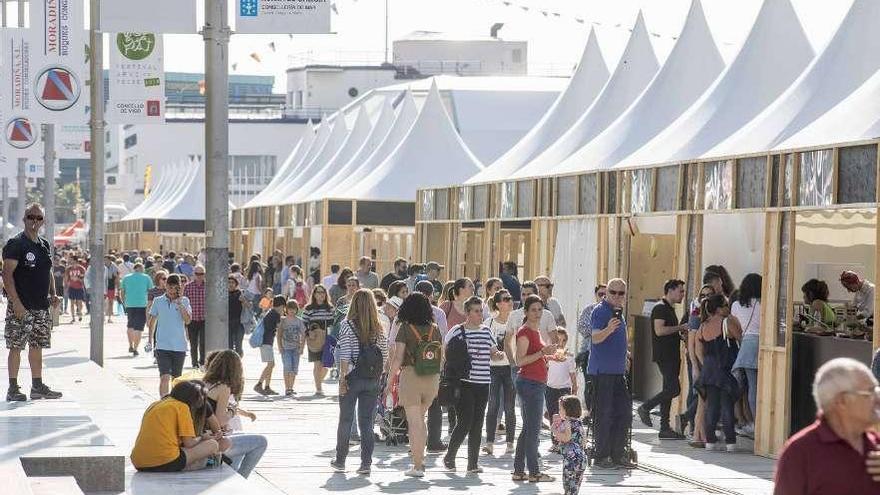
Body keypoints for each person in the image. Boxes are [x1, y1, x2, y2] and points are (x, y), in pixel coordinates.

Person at [774, 358, 880, 494]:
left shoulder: (875, 444)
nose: (877, 399)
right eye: (870, 392)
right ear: (842, 401)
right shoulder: (801, 452)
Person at [3, 203, 63, 402]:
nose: (34, 221)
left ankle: (37, 386)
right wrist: (16, 302)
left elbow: (48, 271)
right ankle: (13, 388)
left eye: (39, 218)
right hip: (21, 306)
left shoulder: (44, 244)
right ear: (24, 219)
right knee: (16, 346)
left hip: (41, 306)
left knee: (37, 346)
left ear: (43, 221)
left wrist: (53, 294)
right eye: (31, 217)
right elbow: (7, 275)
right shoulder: (16, 243)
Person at [332, 289, 388, 475]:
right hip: (372, 379)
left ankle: (340, 460)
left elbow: (345, 355)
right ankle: (366, 463)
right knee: (367, 423)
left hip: (352, 377)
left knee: (346, 420)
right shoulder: (378, 326)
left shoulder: (347, 325)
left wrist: (342, 379)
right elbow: (385, 354)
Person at [385, 292, 443, 478]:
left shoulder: (404, 328)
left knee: (414, 423)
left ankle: (417, 466)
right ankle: (421, 458)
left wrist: (388, 382)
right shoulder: (435, 328)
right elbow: (442, 358)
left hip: (411, 376)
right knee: (421, 419)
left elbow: (397, 358)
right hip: (432, 379)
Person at [443, 296, 497, 475]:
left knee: (477, 423)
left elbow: (493, 352)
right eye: (476, 311)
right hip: (465, 383)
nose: (480, 314)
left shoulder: (486, 331)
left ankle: (472, 463)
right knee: (465, 422)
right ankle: (450, 456)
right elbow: (446, 352)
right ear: (467, 313)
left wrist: (499, 354)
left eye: (481, 310)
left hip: (483, 383)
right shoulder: (457, 331)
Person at [589, 278, 636, 469]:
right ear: (606, 292)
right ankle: (601, 455)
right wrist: (609, 328)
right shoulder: (600, 311)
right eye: (613, 292)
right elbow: (595, 337)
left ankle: (618, 454)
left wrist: (625, 355)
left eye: (621, 293)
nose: (617, 296)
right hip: (602, 372)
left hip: (617, 372)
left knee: (623, 413)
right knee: (604, 414)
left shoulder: (619, 314)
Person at [130, 380, 228, 472]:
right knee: (212, 444)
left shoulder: (155, 404)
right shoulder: (182, 407)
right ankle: (200, 463)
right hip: (166, 462)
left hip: (139, 462)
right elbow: (189, 443)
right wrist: (202, 437)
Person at [512, 294, 557, 482]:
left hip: (535, 381)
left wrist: (550, 356)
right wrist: (542, 353)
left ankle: (518, 470)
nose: (537, 313)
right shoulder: (525, 332)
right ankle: (534, 472)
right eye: (533, 310)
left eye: (540, 309)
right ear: (526, 311)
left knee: (528, 428)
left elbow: (536, 357)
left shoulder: (535, 331)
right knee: (533, 429)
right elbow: (519, 360)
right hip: (530, 382)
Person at [202, 351, 267, 478]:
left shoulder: (205, 383)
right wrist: (231, 412)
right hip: (212, 441)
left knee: (244, 438)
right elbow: (221, 421)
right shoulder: (223, 387)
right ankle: (242, 480)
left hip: (203, 436)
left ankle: (231, 478)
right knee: (261, 442)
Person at [638, 279, 688, 439]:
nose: (682, 294)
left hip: (672, 355)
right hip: (665, 356)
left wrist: (680, 334)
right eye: (680, 291)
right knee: (674, 389)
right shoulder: (660, 308)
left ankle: (665, 428)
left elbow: (669, 331)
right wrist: (681, 327)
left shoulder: (669, 309)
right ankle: (646, 407)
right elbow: (659, 331)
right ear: (671, 290)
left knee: (668, 389)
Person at [695, 294, 743, 452]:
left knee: (712, 406)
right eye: (725, 305)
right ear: (718, 308)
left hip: (709, 370)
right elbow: (740, 338)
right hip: (724, 369)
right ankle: (730, 442)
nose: (728, 308)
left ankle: (710, 441)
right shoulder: (726, 322)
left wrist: (706, 365)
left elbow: (699, 350)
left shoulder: (702, 326)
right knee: (727, 405)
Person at [483, 289, 516, 455]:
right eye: (505, 299)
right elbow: (485, 342)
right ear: (497, 303)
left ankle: (510, 442)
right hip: (493, 367)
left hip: (511, 367)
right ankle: (489, 442)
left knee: (510, 406)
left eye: (510, 298)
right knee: (493, 404)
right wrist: (492, 353)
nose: (510, 301)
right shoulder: (489, 322)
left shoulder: (517, 321)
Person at [148, 274, 192, 397]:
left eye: (175, 287)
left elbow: (188, 321)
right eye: (170, 287)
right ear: (165, 286)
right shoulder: (158, 301)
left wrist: (180, 304)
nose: (172, 290)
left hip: (179, 346)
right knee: (164, 377)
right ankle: (163, 401)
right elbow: (152, 322)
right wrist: (150, 341)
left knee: (176, 379)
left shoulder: (184, 301)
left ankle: (175, 403)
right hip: (162, 345)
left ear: (179, 287)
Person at [684, 284, 716, 447]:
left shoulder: (713, 317)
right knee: (700, 398)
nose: (705, 298)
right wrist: (696, 366)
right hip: (700, 363)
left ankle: (699, 433)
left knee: (704, 400)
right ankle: (696, 432)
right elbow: (692, 345)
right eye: (702, 295)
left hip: (708, 363)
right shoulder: (696, 316)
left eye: (709, 295)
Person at [731, 273, 762, 436]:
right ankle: (759, 423)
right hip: (761, 345)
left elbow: (735, 326)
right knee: (757, 388)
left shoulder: (736, 305)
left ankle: (752, 422)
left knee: (750, 387)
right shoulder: (763, 305)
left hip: (744, 345)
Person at [546, 328, 578, 452]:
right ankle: (554, 441)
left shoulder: (569, 356)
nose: (561, 343)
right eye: (558, 340)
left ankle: (564, 440)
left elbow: (572, 373)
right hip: (550, 387)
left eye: (564, 340)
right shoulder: (549, 355)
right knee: (552, 414)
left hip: (564, 388)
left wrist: (574, 387)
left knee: (564, 416)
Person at [302, 285, 335, 396]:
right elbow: (303, 325)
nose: (321, 294)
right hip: (314, 339)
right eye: (318, 292)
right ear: (314, 294)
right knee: (317, 364)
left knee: (326, 365)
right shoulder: (309, 308)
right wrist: (308, 333)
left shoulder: (330, 308)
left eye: (323, 292)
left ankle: (317, 381)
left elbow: (334, 324)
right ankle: (319, 388)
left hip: (327, 340)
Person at [576, 285, 605, 406]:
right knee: (589, 384)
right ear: (596, 295)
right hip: (588, 352)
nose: (603, 297)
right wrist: (600, 331)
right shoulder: (589, 309)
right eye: (600, 294)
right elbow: (582, 327)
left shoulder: (614, 311)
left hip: (606, 354)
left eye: (606, 294)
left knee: (603, 385)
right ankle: (589, 412)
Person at [552, 395, 588, 495]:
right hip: (582, 458)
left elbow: (567, 438)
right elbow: (584, 441)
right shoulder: (579, 422)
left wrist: (555, 431)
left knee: (568, 484)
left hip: (571, 460)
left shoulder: (567, 422)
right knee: (575, 486)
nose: (559, 411)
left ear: (567, 410)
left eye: (560, 409)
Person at [507, 281, 558, 346]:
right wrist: (511, 356)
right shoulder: (513, 315)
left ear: (536, 295)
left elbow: (555, 341)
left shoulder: (547, 315)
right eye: (523, 294)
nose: (525, 297)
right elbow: (507, 343)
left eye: (529, 294)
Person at [120, 262, 154, 357]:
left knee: (130, 325)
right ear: (140, 268)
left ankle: (130, 345)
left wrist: (124, 302)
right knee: (138, 328)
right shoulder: (146, 277)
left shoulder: (126, 278)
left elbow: (122, 291)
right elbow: (150, 291)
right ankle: (135, 349)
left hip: (129, 304)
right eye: (142, 268)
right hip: (142, 304)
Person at [254, 295, 286, 396]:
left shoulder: (271, 312)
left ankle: (267, 387)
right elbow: (279, 326)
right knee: (271, 364)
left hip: (266, 342)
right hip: (266, 342)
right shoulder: (275, 314)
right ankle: (259, 384)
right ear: (281, 306)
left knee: (270, 364)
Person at [279, 299, 306, 396]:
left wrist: (302, 347)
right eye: (290, 309)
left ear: (297, 310)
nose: (292, 311)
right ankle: (287, 388)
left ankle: (291, 387)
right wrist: (280, 347)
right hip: (286, 348)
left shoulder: (299, 321)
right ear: (286, 309)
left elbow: (303, 334)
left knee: (294, 368)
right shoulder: (283, 320)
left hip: (296, 348)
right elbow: (279, 334)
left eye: (294, 309)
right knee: (287, 367)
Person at [183, 265, 207, 369]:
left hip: (204, 319)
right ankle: (194, 363)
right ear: (193, 274)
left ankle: (202, 362)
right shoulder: (188, 287)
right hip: (192, 319)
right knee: (193, 342)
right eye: (197, 274)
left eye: (201, 274)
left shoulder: (208, 286)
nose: (199, 276)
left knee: (203, 342)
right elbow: (184, 303)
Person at [227, 276, 247, 357]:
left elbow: (248, 306)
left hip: (239, 322)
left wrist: (243, 301)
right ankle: (232, 362)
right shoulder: (223, 294)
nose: (231, 284)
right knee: (229, 345)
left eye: (233, 282)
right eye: (229, 282)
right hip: (227, 323)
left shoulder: (240, 293)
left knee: (238, 344)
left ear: (236, 284)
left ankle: (238, 360)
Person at [64, 255, 86, 322]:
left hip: (79, 287)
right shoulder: (68, 269)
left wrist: (78, 279)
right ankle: (73, 317)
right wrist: (66, 287)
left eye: (71, 260)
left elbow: (84, 279)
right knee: (72, 303)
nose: (70, 261)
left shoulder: (81, 268)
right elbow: (66, 278)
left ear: (75, 260)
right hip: (71, 287)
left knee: (79, 302)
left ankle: (79, 314)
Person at [104, 255, 119, 323]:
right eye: (104, 260)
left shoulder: (114, 266)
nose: (105, 261)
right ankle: (103, 316)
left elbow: (116, 277)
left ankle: (109, 317)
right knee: (102, 302)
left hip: (111, 284)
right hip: (103, 284)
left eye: (106, 260)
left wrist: (117, 287)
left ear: (110, 260)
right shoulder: (102, 266)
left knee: (110, 302)